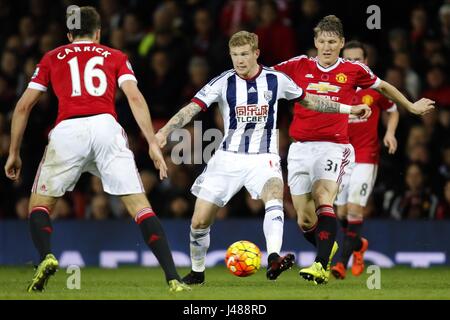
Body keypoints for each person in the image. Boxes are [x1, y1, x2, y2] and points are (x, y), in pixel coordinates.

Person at [155, 30, 371, 285]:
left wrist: (349, 108)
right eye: (235, 55)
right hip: (227, 158)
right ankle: (198, 272)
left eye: (245, 54)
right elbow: (192, 108)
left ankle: (274, 257)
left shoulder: (275, 80)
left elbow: (312, 101)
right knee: (199, 220)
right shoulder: (223, 82)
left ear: (256, 53)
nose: (240, 60)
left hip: (263, 158)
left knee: (274, 194)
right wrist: (165, 132)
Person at [4, 6, 190, 293]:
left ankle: (46, 256)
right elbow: (134, 98)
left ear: (69, 35)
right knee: (140, 207)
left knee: (40, 205)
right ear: (99, 33)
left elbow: (24, 106)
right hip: (107, 129)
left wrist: (13, 151)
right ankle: (173, 279)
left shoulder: (52, 57)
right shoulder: (115, 56)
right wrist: (153, 143)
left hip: (68, 131)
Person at [274, 15, 434, 285]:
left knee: (324, 196)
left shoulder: (352, 70)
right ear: (315, 42)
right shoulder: (298, 65)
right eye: (322, 41)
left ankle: (321, 265)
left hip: (334, 146)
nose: (327, 47)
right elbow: (265, 77)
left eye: (332, 42)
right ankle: (330, 247)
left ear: (341, 43)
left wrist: (410, 105)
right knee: (304, 218)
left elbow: (383, 87)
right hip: (299, 148)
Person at [331, 40, 400, 280]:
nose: (352, 63)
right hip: (341, 158)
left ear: (365, 62)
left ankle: (341, 263)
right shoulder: (336, 88)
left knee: (354, 207)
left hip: (366, 156)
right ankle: (359, 245)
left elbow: (392, 110)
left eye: (357, 59)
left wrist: (390, 133)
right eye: (348, 59)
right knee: (340, 212)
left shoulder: (375, 89)